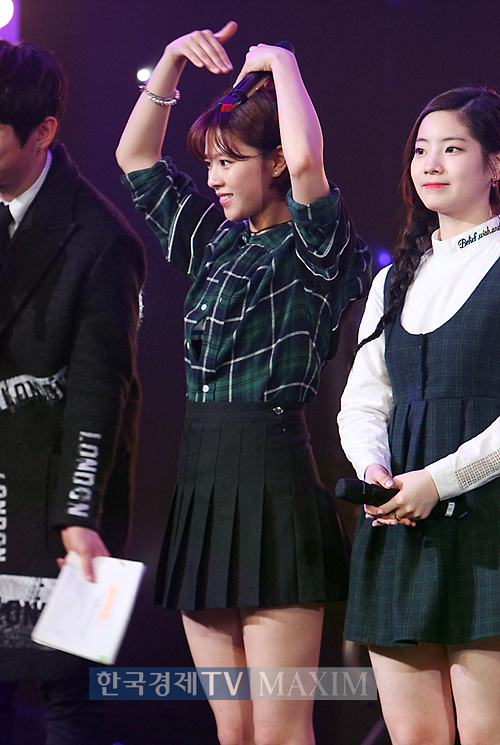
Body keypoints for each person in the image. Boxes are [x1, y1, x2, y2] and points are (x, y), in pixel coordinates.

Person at [116, 20, 370, 745]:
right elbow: (136, 157)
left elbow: (311, 160)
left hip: (271, 479)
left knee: (281, 728)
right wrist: (169, 61)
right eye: (210, 163)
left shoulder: (315, 248)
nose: (214, 178)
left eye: (230, 161)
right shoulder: (216, 240)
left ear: (276, 162)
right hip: (202, 482)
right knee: (233, 729)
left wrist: (282, 63)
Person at [338, 86, 500, 745]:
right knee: (414, 734)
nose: (431, 163)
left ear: (495, 165)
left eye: (453, 148)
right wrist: (375, 470)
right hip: (400, 525)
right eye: (421, 150)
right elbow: (363, 399)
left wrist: (440, 480)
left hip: (489, 523)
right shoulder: (392, 279)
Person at [0, 40, 146, 745]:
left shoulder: (100, 238)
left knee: (71, 699)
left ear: (43, 132)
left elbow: (100, 389)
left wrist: (78, 515)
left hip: (67, 503)